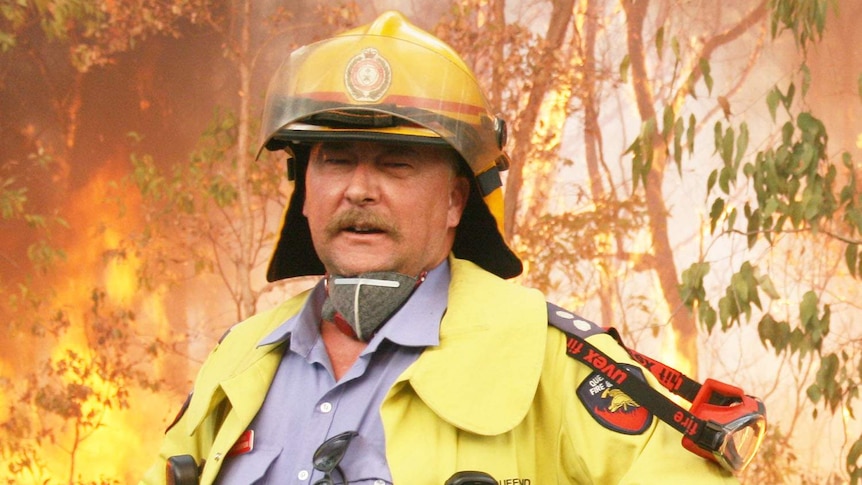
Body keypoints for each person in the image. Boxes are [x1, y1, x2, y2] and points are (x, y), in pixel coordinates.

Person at [142, 10, 752, 484]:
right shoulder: (239, 361)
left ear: (457, 200)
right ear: (304, 191)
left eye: (396, 163)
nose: (358, 189)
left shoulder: (551, 364)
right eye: (334, 160)